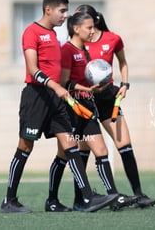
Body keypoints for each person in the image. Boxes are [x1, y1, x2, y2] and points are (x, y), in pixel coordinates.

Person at [0, 0, 117, 214]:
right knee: (25, 146)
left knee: (70, 144)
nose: (66, 16)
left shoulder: (54, 36)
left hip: (56, 99)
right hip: (36, 97)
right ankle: (9, 200)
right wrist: (56, 87)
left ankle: (85, 198)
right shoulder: (31, 32)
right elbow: (33, 70)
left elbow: (61, 74)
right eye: (62, 11)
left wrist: (75, 88)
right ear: (48, 10)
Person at [73, 4, 155, 208]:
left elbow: (123, 63)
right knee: (83, 150)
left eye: (79, 18)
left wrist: (125, 84)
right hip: (85, 99)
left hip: (108, 98)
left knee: (125, 146)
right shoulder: (75, 44)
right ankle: (81, 199)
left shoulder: (113, 39)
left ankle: (138, 195)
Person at [57, 11, 137, 211]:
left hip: (90, 104)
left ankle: (113, 196)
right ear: (77, 28)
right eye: (89, 27)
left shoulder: (85, 49)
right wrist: (86, 89)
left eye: (94, 26)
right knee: (64, 155)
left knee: (101, 151)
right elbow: (64, 82)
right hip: (75, 108)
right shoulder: (67, 49)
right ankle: (61, 199)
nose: (93, 31)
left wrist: (101, 86)